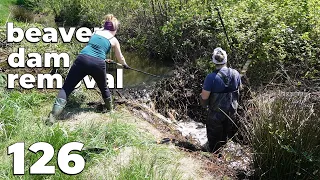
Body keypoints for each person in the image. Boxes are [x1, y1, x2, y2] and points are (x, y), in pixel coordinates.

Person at [46, 14, 129, 125]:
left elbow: (93, 47)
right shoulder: (114, 40)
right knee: (104, 87)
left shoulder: (96, 32)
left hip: (82, 59)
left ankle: (52, 117)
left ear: (105, 27)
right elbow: (120, 58)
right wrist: (125, 65)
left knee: (67, 87)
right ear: (114, 29)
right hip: (98, 63)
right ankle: (111, 111)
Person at [200, 47, 241, 152]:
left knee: (214, 138)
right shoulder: (236, 74)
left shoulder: (211, 77)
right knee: (225, 136)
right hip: (232, 112)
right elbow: (240, 88)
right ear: (226, 59)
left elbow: (204, 97)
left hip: (216, 114)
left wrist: (204, 106)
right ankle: (223, 154)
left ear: (214, 61)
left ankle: (213, 156)